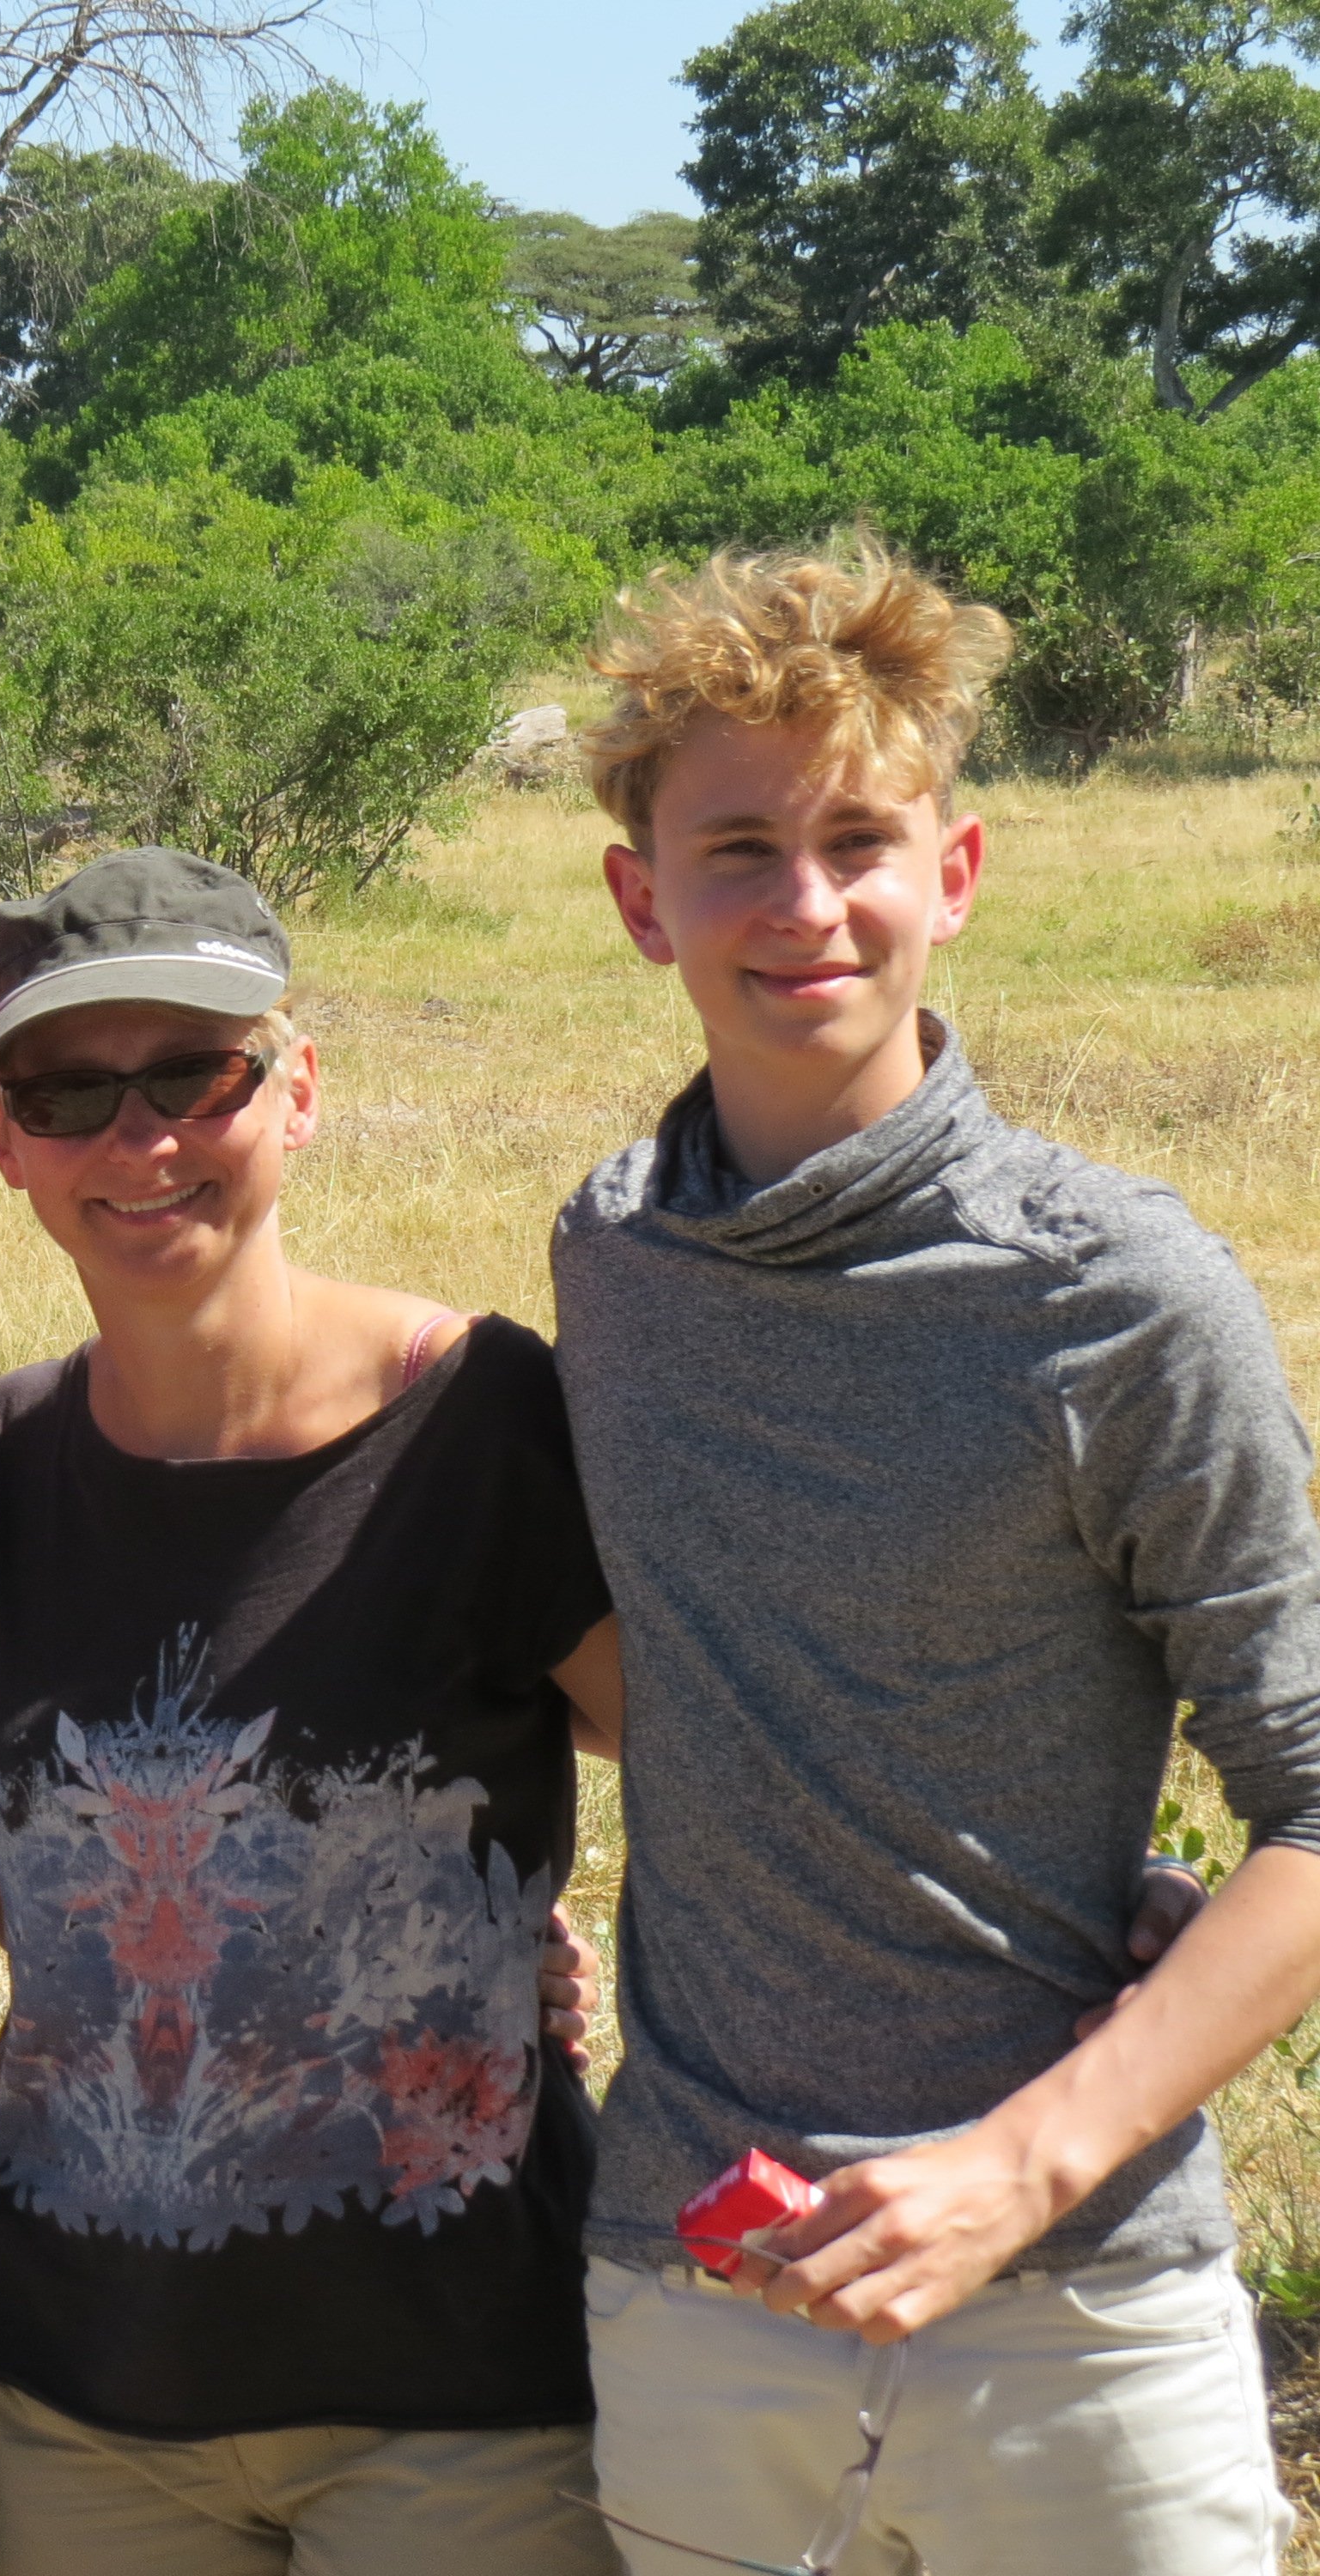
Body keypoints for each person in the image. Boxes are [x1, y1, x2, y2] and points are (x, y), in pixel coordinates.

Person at [554, 543, 1320, 2573]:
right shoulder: (610, 1259)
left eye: (856, 840)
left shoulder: (1112, 1294)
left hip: (1070, 2312)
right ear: (640, 900)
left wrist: (1018, 2165)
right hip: (695, 2281)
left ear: (954, 872)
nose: (802, 906)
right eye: (734, 850)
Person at [0, 848, 629, 2574]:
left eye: (195, 1074)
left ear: (295, 1089)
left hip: (457, 2395)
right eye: (68, 1093)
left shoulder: (476, 1423)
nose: (138, 1137)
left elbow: (718, 1763)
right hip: (80, 2399)